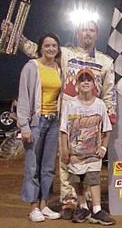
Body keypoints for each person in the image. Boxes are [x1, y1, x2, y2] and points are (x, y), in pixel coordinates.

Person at [7, 20, 116, 219]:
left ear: (97, 34)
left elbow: (109, 93)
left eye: (91, 30)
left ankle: (90, 203)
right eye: (83, 30)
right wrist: (16, 33)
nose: (87, 34)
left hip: (91, 119)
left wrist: (109, 116)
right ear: (77, 33)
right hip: (65, 117)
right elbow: (35, 50)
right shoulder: (65, 53)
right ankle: (69, 202)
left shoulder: (106, 61)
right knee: (66, 160)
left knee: (90, 162)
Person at [60, 68, 115, 225]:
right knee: (77, 180)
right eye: (82, 79)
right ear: (77, 84)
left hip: (93, 154)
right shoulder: (71, 105)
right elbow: (64, 129)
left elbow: (107, 129)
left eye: (88, 79)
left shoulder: (100, 104)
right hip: (75, 153)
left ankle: (96, 210)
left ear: (93, 83)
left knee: (93, 180)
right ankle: (83, 207)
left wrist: (103, 147)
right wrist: (64, 149)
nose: (85, 82)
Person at [17, 32, 62, 222]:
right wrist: (24, 126)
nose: (51, 48)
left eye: (54, 45)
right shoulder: (32, 67)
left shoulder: (59, 68)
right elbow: (24, 97)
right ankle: (33, 206)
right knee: (32, 166)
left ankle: (44, 205)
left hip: (54, 122)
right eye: (47, 46)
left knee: (48, 167)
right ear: (40, 48)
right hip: (36, 122)